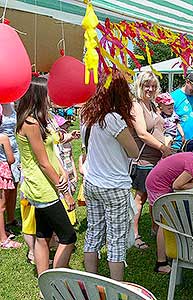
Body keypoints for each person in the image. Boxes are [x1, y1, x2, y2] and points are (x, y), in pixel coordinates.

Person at [80, 70, 139, 281]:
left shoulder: (86, 116)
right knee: (115, 239)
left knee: (93, 232)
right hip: (114, 185)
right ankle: (116, 286)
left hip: (92, 182)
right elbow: (134, 151)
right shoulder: (113, 119)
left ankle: (91, 280)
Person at [16, 76, 76, 276]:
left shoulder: (40, 119)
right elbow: (43, 162)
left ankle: (44, 281)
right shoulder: (31, 123)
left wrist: (64, 171)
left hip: (45, 184)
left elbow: (51, 150)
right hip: (43, 188)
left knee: (42, 236)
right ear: (39, 95)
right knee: (68, 236)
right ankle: (56, 281)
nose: (51, 96)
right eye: (48, 92)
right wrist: (66, 193)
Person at [145, 152, 193, 274]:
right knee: (165, 223)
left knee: (165, 219)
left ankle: (168, 248)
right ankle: (161, 263)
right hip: (158, 186)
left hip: (155, 181)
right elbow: (177, 185)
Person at [131, 71, 172, 250]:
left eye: (153, 86)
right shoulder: (136, 105)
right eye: (147, 85)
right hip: (144, 161)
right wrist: (163, 148)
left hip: (157, 160)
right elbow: (141, 133)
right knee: (141, 197)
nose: (150, 89)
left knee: (155, 196)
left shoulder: (154, 106)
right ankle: (134, 235)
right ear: (140, 86)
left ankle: (156, 229)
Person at [0, 103, 21, 237]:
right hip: (2, 149)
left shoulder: (12, 104)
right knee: (4, 188)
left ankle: (11, 218)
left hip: (13, 148)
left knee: (14, 184)